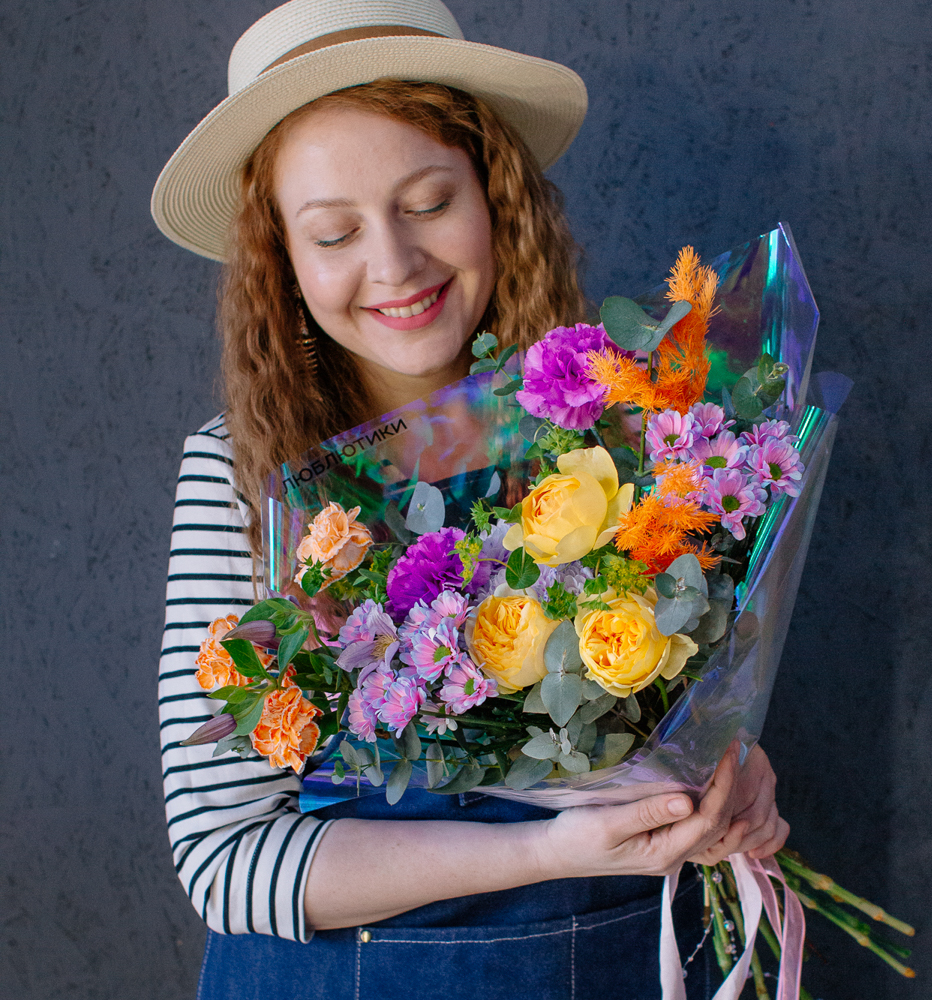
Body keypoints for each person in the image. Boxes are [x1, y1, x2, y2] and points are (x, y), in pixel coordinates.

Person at [153, 2, 790, 997]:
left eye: (427, 202)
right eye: (334, 232)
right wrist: (546, 851)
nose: (395, 265)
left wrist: (724, 784)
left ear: (496, 193)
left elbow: (678, 718)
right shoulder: (242, 471)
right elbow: (223, 858)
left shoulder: (627, 415)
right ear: (281, 259)